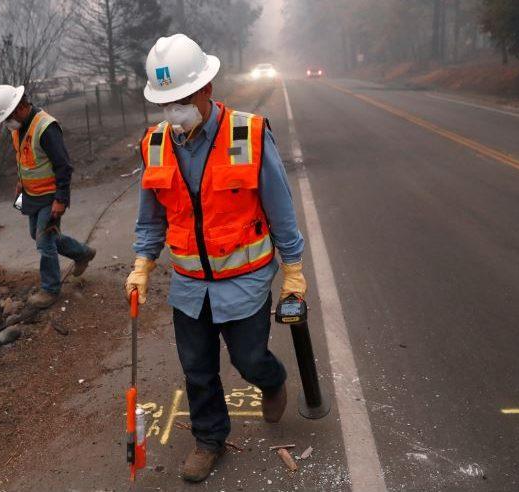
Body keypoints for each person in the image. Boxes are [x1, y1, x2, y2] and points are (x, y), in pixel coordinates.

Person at [125, 34, 307, 482]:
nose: (173, 111)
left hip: (243, 281)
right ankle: (209, 439)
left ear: (206, 89)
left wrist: (294, 269)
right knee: (197, 370)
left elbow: (280, 207)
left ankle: (270, 379)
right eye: (164, 103)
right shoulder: (154, 144)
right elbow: (151, 217)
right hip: (188, 284)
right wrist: (142, 264)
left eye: (181, 100)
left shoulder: (246, 133)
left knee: (248, 359)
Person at [0, 85, 95, 308]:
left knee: (45, 242)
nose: (8, 122)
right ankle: (82, 253)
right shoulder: (18, 128)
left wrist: (61, 199)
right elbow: (26, 158)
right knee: (39, 236)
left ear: (20, 107)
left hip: (50, 195)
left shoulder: (46, 128)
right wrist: (21, 182)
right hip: (31, 194)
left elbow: (63, 166)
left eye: (9, 116)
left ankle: (50, 289)